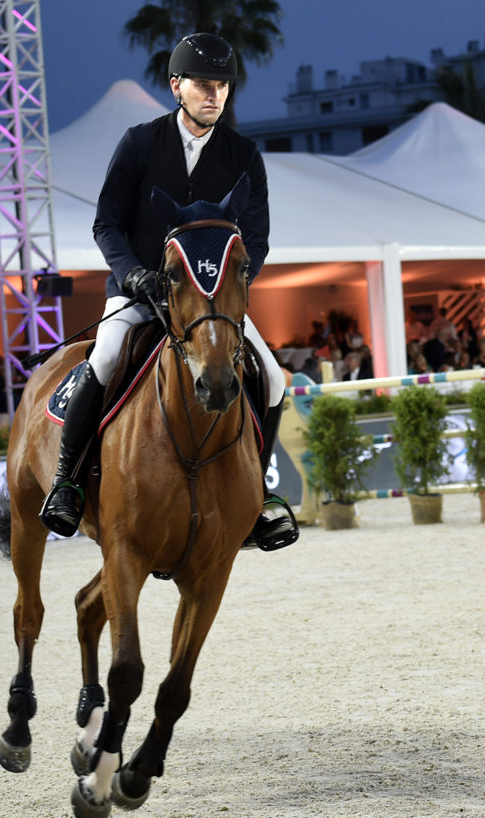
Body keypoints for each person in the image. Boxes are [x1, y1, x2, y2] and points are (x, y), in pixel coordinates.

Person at [38, 32, 297, 551]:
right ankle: (67, 483)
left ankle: (261, 498)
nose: (215, 95)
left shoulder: (244, 155)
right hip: (141, 291)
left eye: (223, 85)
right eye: (204, 84)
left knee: (271, 377)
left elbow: (259, 240)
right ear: (176, 86)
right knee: (107, 356)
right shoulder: (139, 143)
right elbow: (106, 224)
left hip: (210, 303)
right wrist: (134, 276)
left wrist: (228, 290)